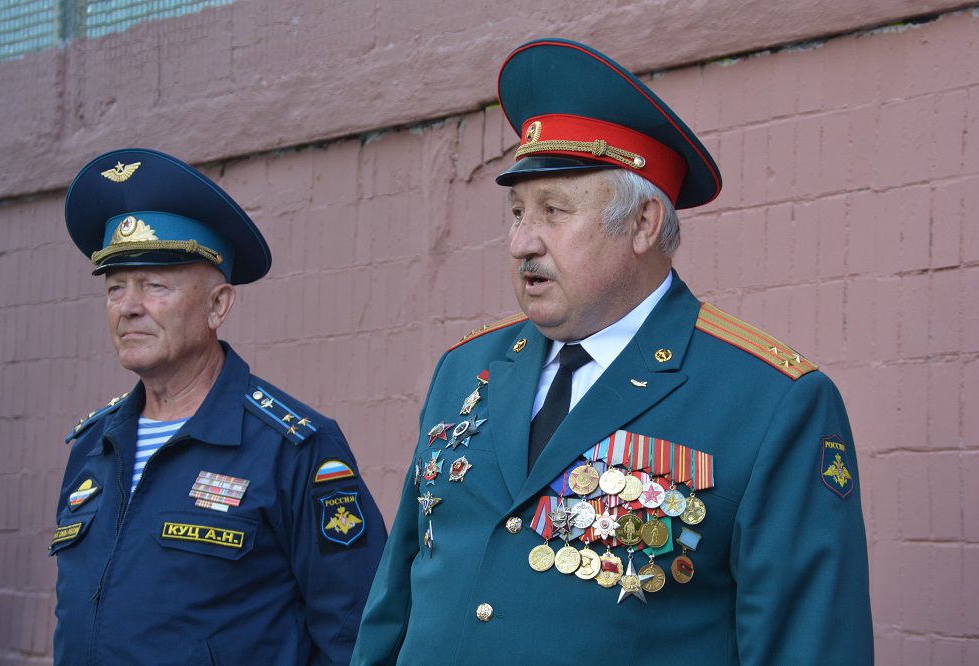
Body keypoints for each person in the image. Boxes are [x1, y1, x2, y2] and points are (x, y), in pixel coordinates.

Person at [352, 38, 872, 665]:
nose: (522, 242)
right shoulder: (466, 369)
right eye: (516, 212)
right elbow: (397, 601)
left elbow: (808, 646)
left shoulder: (769, 402)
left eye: (553, 211)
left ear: (643, 224)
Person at [53, 148, 386, 664]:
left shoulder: (292, 447)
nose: (128, 307)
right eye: (115, 288)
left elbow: (356, 633)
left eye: (154, 285)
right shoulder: (93, 446)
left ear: (218, 305)